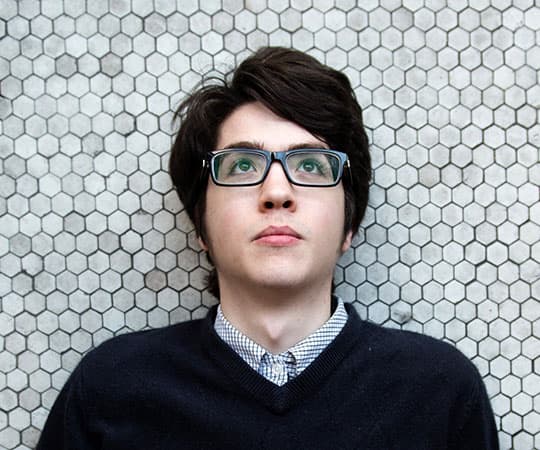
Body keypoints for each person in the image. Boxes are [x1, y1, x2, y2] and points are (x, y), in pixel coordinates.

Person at [37, 46, 499, 449]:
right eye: (241, 165)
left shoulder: (440, 392)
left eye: (311, 165)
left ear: (349, 226)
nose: (277, 192)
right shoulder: (110, 389)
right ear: (200, 225)